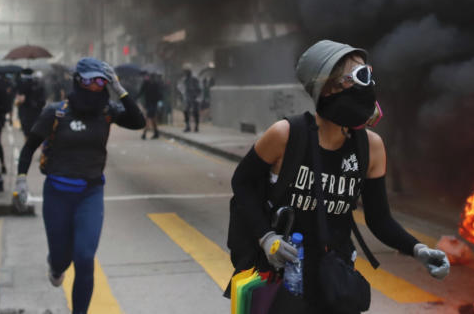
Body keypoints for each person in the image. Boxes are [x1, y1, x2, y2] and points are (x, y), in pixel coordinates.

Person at [228, 40, 450, 313]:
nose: (368, 86)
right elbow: (243, 183)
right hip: (283, 281)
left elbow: (379, 219)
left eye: (369, 74)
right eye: (359, 77)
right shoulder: (285, 135)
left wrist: (418, 250)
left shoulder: (371, 147)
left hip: (335, 281)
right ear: (329, 87)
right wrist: (267, 238)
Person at [13, 58, 144, 314]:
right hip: (57, 195)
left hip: (90, 194)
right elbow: (29, 147)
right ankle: (55, 265)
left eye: (101, 82)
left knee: (85, 258)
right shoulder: (56, 112)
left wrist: (119, 89)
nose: (95, 87)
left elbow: (138, 121)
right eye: (89, 80)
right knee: (61, 260)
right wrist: (20, 181)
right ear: (77, 81)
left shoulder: (108, 111)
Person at [15, 68, 45, 139]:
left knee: (27, 133)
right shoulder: (38, 83)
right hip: (37, 111)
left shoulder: (22, 84)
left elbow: (21, 99)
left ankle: (28, 148)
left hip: (26, 112)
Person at [137, 72, 162, 140]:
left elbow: (159, 94)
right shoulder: (147, 84)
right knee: (152, 118)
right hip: (150, 104)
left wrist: (159, 102)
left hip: (152, 104)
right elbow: (141, 92)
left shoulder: (155, 84)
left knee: (149, 118)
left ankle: (144, 133)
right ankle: (156, 133)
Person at [180, 68, 201, 133]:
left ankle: (196, 126)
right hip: (187, 98)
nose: (186, 74)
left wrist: (197, 96)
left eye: (187, 73)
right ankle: (187, 126)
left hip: (194, 98)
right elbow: (182, 89)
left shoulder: (195, 80)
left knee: (195, 112)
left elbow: (199, 89)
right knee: (186, 111)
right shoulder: (185, 80)